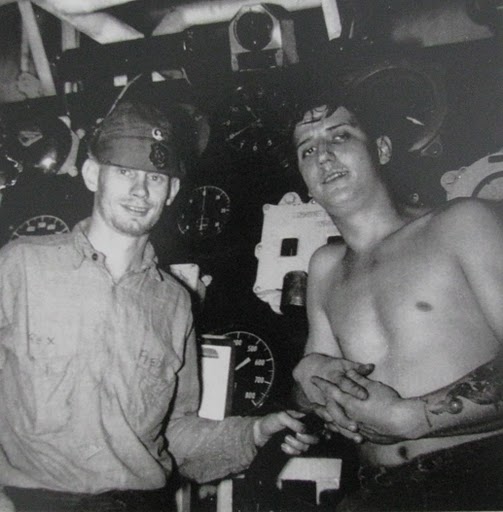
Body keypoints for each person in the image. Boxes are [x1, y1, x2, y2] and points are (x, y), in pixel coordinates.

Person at [0, 100, 316, 512]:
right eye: (124, 171)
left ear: (172, 192)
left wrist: (254, 433)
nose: (140, 190)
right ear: (93, 175)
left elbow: (175, 434)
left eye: (155, 177)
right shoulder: (21, 265)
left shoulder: (174, 303)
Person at [291, 90, 503, 511]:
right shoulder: (325, 267)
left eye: (340, 136)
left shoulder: (461, 223)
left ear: (383, 150)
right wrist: (308, 376)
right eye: (307, 150)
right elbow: (311, 396)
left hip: (482, 478)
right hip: (378, 490)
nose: (324, 157)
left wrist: (414, 417)